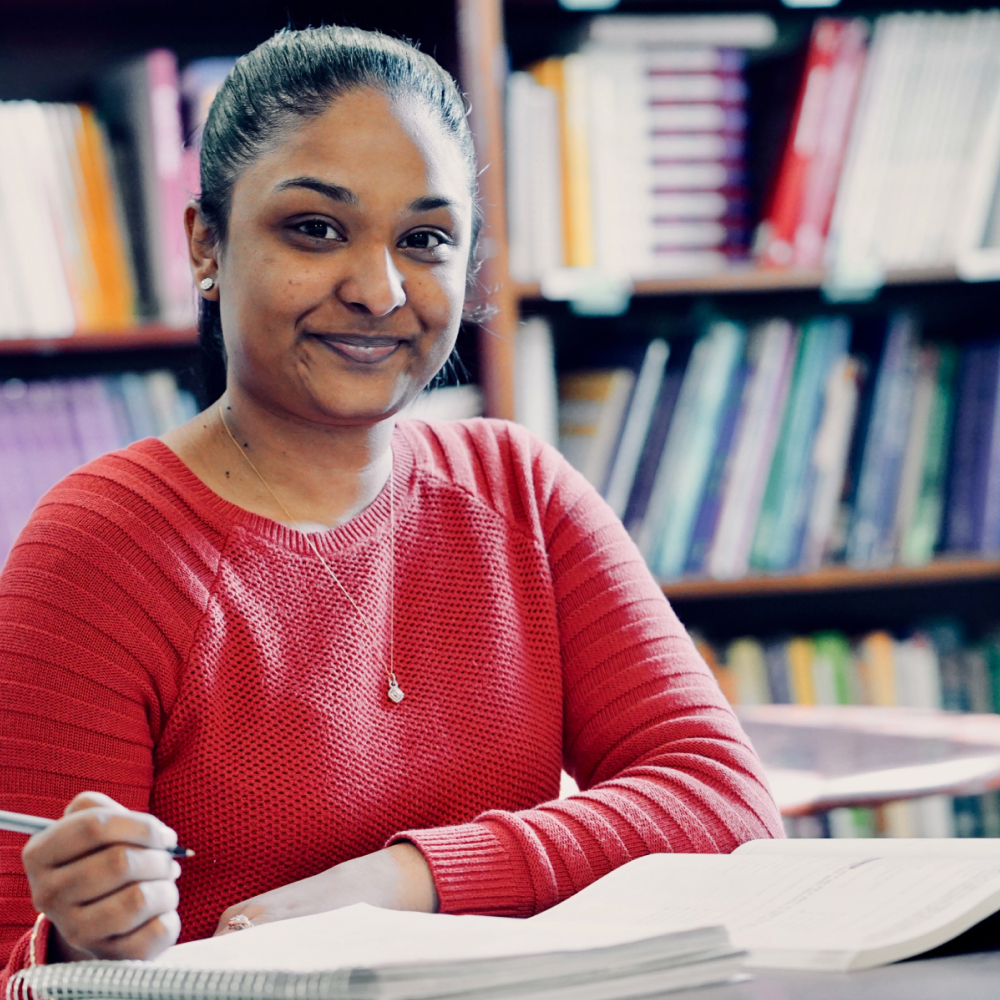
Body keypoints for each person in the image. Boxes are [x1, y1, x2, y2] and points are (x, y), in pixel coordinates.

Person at [0, 24, 783, 984]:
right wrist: (82, 941)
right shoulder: (102, 548)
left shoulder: (520, 492)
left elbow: (725, 801)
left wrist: (406, 879)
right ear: (207, 244)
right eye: (315, 229)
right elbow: (15, 964)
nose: (378, 290)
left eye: (424, 240)